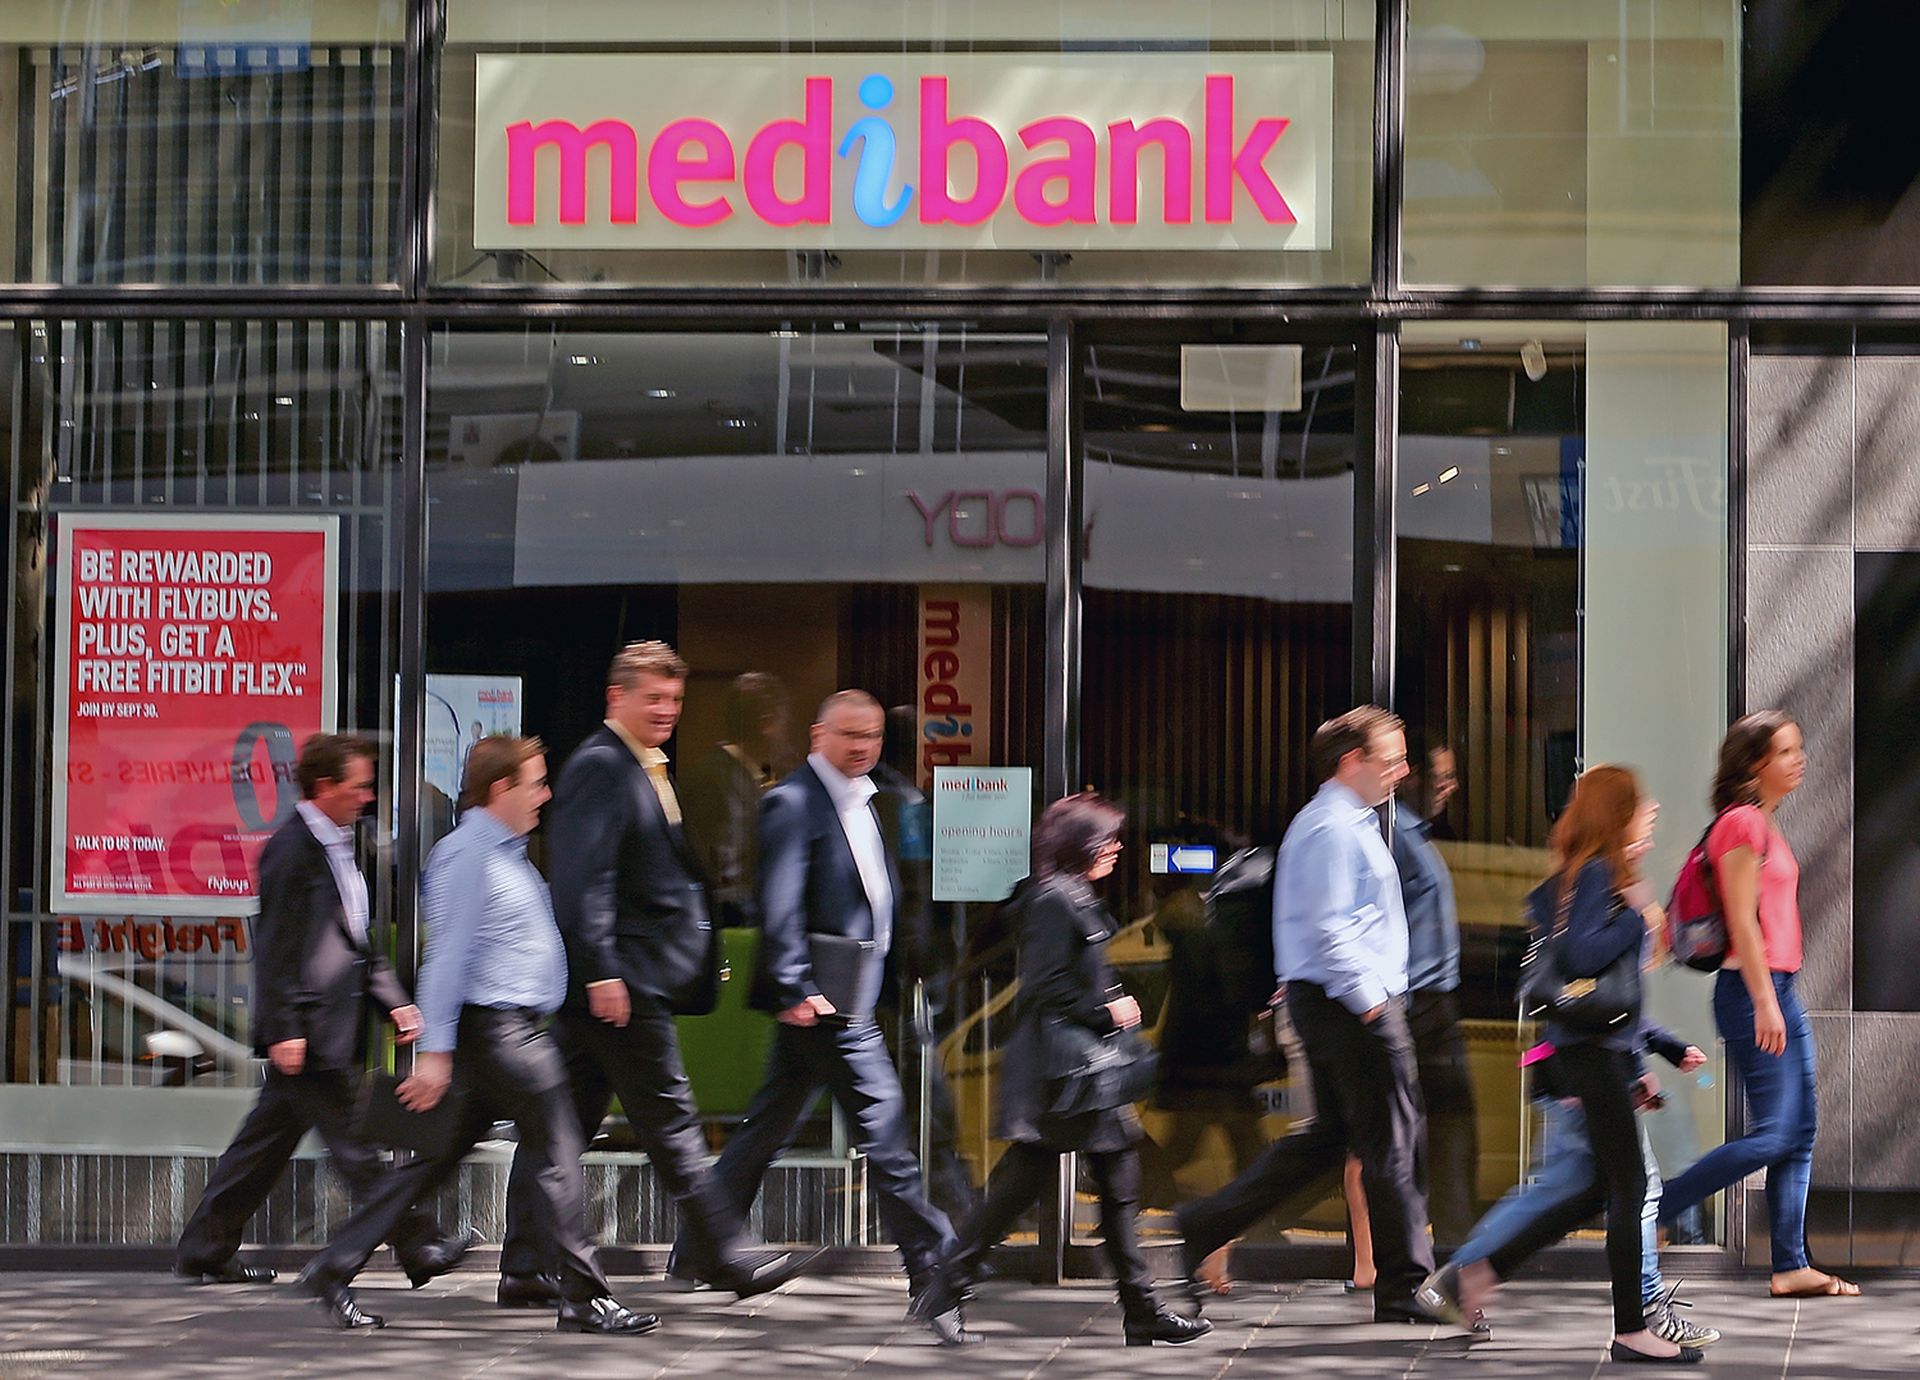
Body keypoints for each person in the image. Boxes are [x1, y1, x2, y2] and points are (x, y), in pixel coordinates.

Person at [297, 737, 654, 1335]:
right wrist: (434, 1052)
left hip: (504, 1032)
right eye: (536, 783)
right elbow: (447, 958)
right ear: (500, 790)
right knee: (559, 1149)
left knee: (432, 1160)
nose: (546, 795)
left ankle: (334, 1267)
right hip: (500, 1033)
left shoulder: (505, 853)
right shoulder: (468, 856)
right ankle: (585, 1295)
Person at [496, 641, 800, 1308]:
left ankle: (522, 1265)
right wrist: (603, 970)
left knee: (561, 1130)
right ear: (617, 698)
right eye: (652, 698)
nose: (666, 710)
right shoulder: (602, 767)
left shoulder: (639, 767)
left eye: (675, 699)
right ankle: (726, 1253)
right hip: (622, 985)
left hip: (617, 986)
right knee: (673, 1124)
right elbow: (585, 880)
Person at [671, 691, 956, 1311]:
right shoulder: (792, 802)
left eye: (874, 736)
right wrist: (796, 985)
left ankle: (696, 1247)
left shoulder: (872, 801)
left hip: (853, 991)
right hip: (826, 1001)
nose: (863, 747)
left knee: (764, 1130)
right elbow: (779, 901)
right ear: (817, 733)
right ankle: (933, 1266)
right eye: (851, 735)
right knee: (885, 1134)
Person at [1417, 766, 1702, 1365]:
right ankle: (1632, 1328)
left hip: (1591, 1056)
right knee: (1627, 1186)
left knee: (1592, 1188)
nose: (1650, 816)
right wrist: (1637, 914)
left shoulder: (1585, 875)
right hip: (1590, 1059)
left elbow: (1605, 992)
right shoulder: (1600, 875)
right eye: (1642, 809)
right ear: (1617, 814)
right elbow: (1582, 956)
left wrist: (1659, 1050)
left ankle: (1480, 1274)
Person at [174, 734, 467, 1312]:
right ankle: (419, 1245)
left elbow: (353, 942)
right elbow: (278, 947)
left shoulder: (337, 845)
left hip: (325, 1029)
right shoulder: (291, 850)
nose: (367, 796)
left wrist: (395, 1001)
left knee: (261, 1148)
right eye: (359, 785)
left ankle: (204, 1248)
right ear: (325, 787)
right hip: (308, 1035)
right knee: (357, 1150)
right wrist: (283, 1028)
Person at [913, 794, 1212, 1349]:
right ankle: (945, 1291)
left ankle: (1142, 1310)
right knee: (1017, 1191)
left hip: (1083, 1077)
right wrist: (1109, 1010)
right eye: (1108, 840)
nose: (1118, 849)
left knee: (1118, 1187)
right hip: (1068, 1078)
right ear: (1081, 847)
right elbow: (1046, 986)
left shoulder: (1067, 894)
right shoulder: (1054, 899)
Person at [1173, 706, 1439, 1326]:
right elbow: (1330, 926)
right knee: (1393, 1144)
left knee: (1328, 1144)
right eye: (1392, 758)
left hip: (1338, 1004)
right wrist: (1372, 1002)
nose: (1403, 770)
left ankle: (1201, 1226)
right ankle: (1405, 1286)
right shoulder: (1331, 829)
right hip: (1351, 1006)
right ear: (1352, 763)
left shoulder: (1343, 824)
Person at [1657, 713, 1851, 1298]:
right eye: (1786, 751)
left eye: (1799, 748)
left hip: (1777, 990)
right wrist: (1766, 1003)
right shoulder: (1742, 824)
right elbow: (1742, 920)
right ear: (1753, 764)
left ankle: (1791, 1264)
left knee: (1799, 1132)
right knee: (1774, 1134)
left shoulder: (1762, 822)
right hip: (1753, 993)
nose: (1800, 759)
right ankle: (1653, 1208)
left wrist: (1776, 997)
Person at [680, 671, 791, 929]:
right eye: (783, 723)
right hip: (730, 927)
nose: (786, 734)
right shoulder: (712, 779)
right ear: (766, 723)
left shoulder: (758, 777)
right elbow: (723, 876)